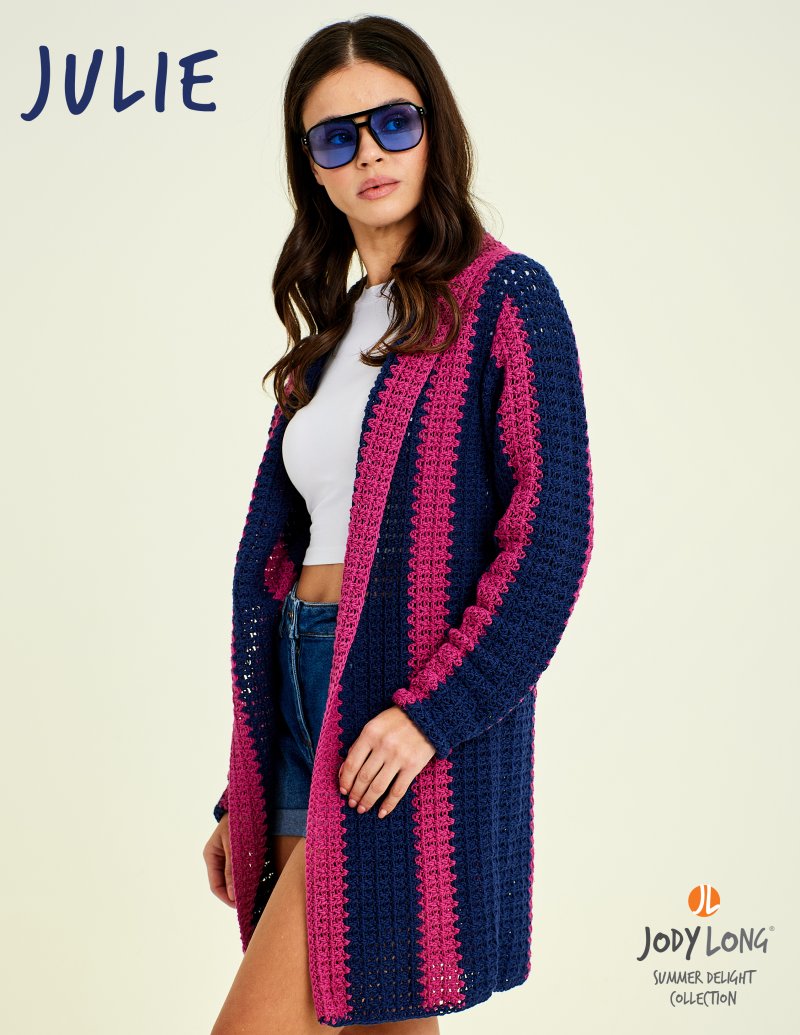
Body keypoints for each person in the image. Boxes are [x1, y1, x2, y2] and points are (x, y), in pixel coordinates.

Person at [203, 14, 594, 1034]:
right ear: (314, 169)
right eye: (337, 137)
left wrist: (432, 712)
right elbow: (291, 556)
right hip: (302, 697)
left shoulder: (504, 298)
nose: (370, 153)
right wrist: (241, 780)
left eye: (393, 122)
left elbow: (549, 542)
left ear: (434, 129)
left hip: (397, 702)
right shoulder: (331, 335)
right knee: (377, 1021)